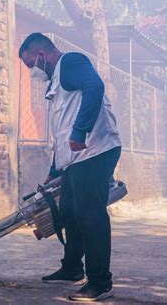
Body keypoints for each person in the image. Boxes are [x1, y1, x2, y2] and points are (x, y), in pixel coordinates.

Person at [19, 33, 122, 302]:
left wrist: (81, 130)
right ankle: (72, 268)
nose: (32, 71)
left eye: (31, 64)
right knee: (69, 212)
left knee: (90, 215)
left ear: (41, 54)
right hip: (75, 158)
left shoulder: (72, 62)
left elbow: (95, 87)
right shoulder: (55, 82)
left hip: (95, 150)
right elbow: (62, 129)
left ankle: (100, 282)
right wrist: (55, 168)